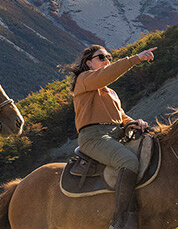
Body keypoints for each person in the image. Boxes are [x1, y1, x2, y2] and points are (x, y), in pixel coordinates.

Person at [63, 45, 156, 229]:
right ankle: (119, 223)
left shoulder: (110, 92)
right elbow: (107, 74)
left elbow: (120, 116)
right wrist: (135, 58)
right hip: (94, 138)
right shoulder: (84, 80)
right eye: (101, 57)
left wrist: (134, 122)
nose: (106, 60)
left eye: (109, 57)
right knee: (129, 162)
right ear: (88, 63)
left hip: (117, 135)